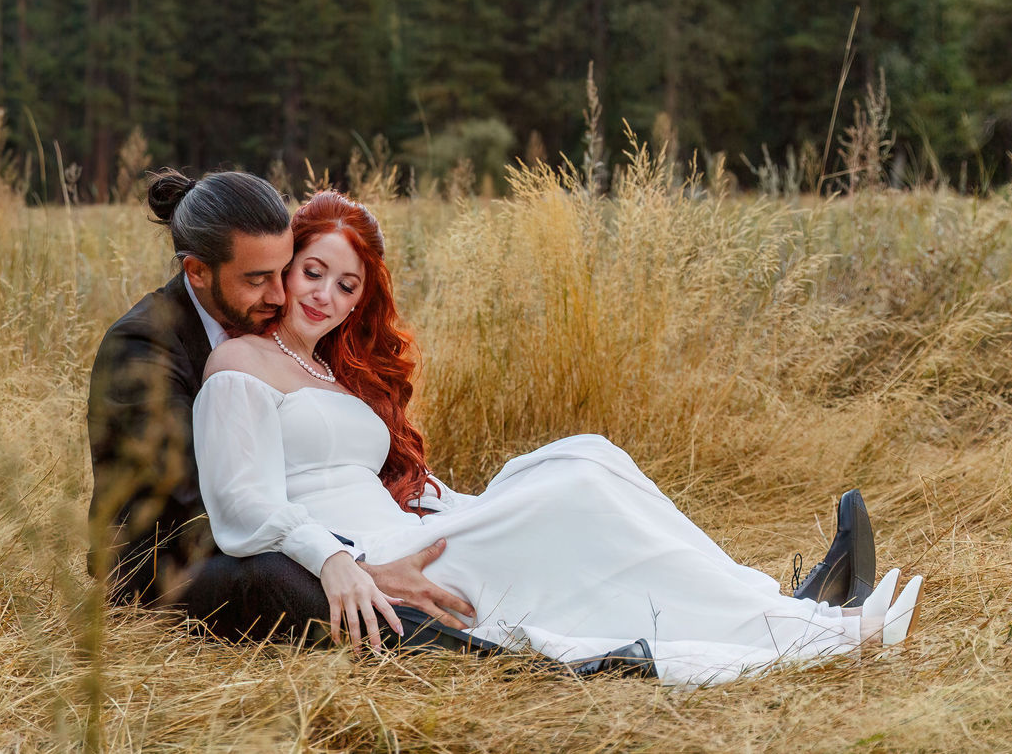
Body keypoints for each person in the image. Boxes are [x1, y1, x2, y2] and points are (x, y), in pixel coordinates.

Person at [193, 190, 925, 686]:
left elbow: (360, 471)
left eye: (347, 286)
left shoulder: (324, 369)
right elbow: (240, 506)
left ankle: (783, 608)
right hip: (380, 560)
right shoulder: (239, 365)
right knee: (575, 492)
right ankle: (811, 628)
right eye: (312, 272)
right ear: (283, 268)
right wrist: (339, 562)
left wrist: (450, 500)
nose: (325, 295)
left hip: (417, 528)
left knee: (587, 456)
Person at [85, 169, 476, 641]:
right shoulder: (144, 344)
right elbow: (193, 504)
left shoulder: (278, 331)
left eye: (284, 270)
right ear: (198, 272)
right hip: (173, 562)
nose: (279, 294)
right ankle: (473, 646)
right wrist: (348, 558)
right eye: (258, 279)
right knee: (279, 576)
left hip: (284, 533)